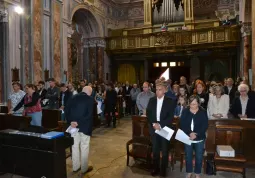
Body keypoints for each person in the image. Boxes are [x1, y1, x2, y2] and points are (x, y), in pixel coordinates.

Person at [146, 78, 176, 177]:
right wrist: (154, 124)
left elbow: (170, 117)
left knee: (164, 151)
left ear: (164, 90)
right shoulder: (152, 100)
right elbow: (149, 114)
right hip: (154, 127)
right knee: (155, 150)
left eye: (160, 89)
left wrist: (161, 125)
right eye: (156, 89)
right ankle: (156, 169)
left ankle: (163, 171)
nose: (157, 91)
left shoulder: (170, 101)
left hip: (165, 127)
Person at [64, 86, 94, 174]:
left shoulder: (72, 97)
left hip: (73, 127)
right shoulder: (90, 99)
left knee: (74, 146)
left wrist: (71, 122)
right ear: (89, 92)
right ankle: (84, 168)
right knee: (84, 147)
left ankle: (75, 167)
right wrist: (78, 122)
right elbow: (89, 115)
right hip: (85, 127)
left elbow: (66, 111)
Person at [180, 95, 208, 178]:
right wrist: (189, 133)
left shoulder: (203, 112)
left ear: (198, 104)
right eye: (191, 104)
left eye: (195, 104)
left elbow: (205, 125)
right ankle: (189, 171)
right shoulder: (185, 111)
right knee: (188, 156)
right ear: (189, 103)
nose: (193, 106)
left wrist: (196, 134)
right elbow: (182, 124)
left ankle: (197, 173)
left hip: (199, 138)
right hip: (187, 137)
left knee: (199, 157)